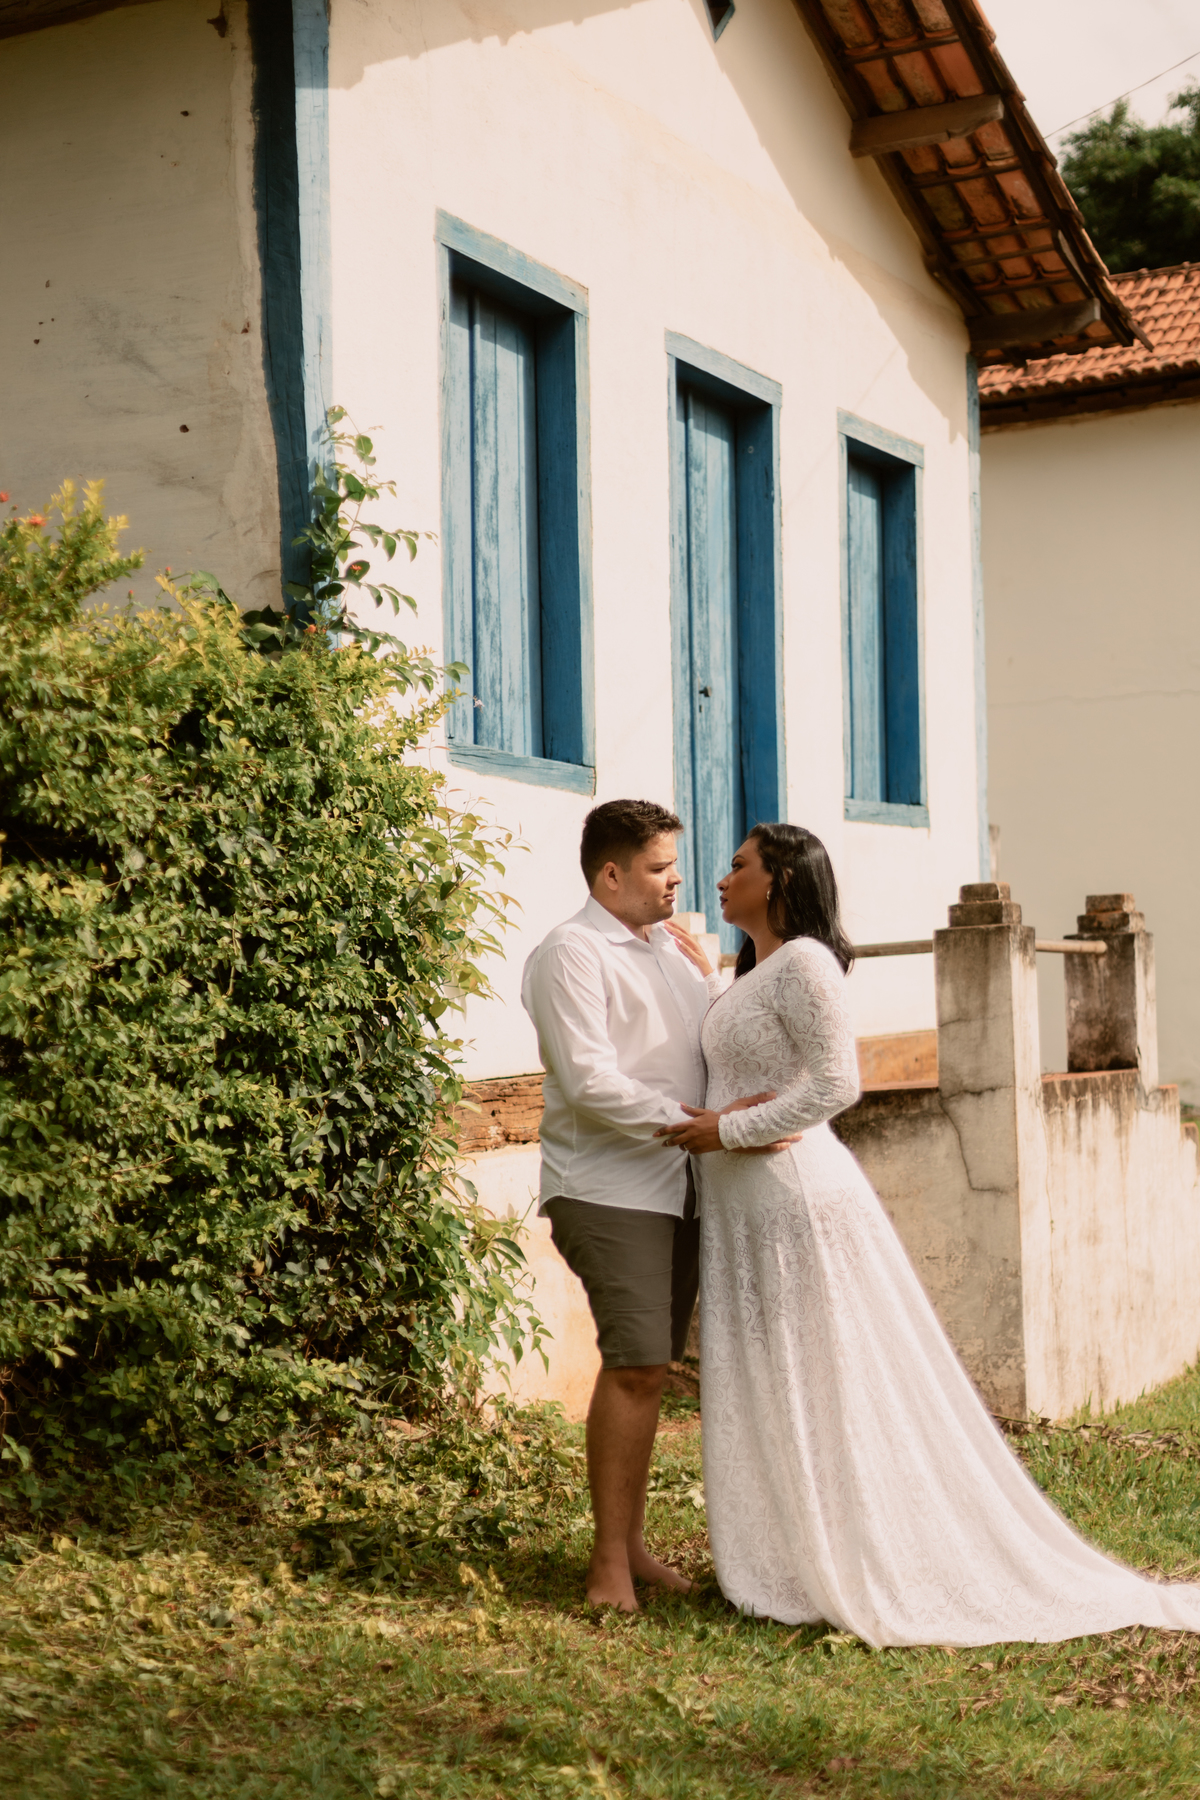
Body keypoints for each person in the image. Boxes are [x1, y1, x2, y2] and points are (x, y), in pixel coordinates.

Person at [657, 822, 1200, 1647]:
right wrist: (704, 984)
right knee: (773, 1377)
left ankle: (862, 1553)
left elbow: (837, 1085)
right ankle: (790, 1555)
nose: (722, 877)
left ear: (780, 880)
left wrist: (726, 1132)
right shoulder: (752, 970)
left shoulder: (806, 962)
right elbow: (749, 1060)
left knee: (822, 1375)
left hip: (794, 1201)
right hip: (744, 1208)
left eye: (739, 866)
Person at [521, 799, 792, 1613]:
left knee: (652, 1367)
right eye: (658, 868)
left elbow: (702, 1051)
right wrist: (701, 1127)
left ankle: (632, 1545)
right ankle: (608, 1565)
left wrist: (711, 985)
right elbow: (588, 1082)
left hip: (682, 1185)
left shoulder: (673, 953)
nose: (678, 880)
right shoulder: (570, 953)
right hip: (609, 1187)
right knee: (636, 1364)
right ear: (611, 874)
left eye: (675, 865)